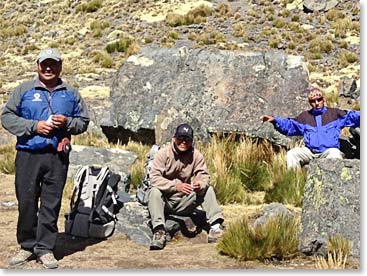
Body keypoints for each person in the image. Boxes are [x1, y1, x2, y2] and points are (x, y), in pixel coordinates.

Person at [1, 48, 90, 268]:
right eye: (44, 64)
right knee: (27, 203)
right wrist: (34, 126)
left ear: (60, 66)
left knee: (51, 204)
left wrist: (67, 124)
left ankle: (45, 248)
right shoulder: (24, 90)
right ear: (37, 66)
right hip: (28, 155)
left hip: (57, 157)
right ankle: (27, 245)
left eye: (53, 64)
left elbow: (83, 121)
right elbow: (7, 117)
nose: (48, 68)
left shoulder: (71, 93)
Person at [147, 123, 225, 250]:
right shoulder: (163, 154)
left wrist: (200, 184)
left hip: (184, 200)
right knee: (154, 191)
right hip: (165, 202)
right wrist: (176, 186)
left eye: (187, 139)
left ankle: (215, 227)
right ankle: (159, 231)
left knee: (208, 190)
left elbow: (204, 176)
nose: (183, 142)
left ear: (191, 141)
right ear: (174, 138)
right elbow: (154, 178)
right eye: (180, 138)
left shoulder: (196, 155)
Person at [262, 87, 360, 169]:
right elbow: (290, 125)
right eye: (313, 101)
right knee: (292, 154)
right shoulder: (305, 117)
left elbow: (352, 116)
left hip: (328, 151)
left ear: (323, 99)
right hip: (310, 152)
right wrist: (275, 121)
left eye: (319, 99)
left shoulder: (334, 113)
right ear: (310, 103)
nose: (317, 103)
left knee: (335, 154)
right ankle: (294, 182)